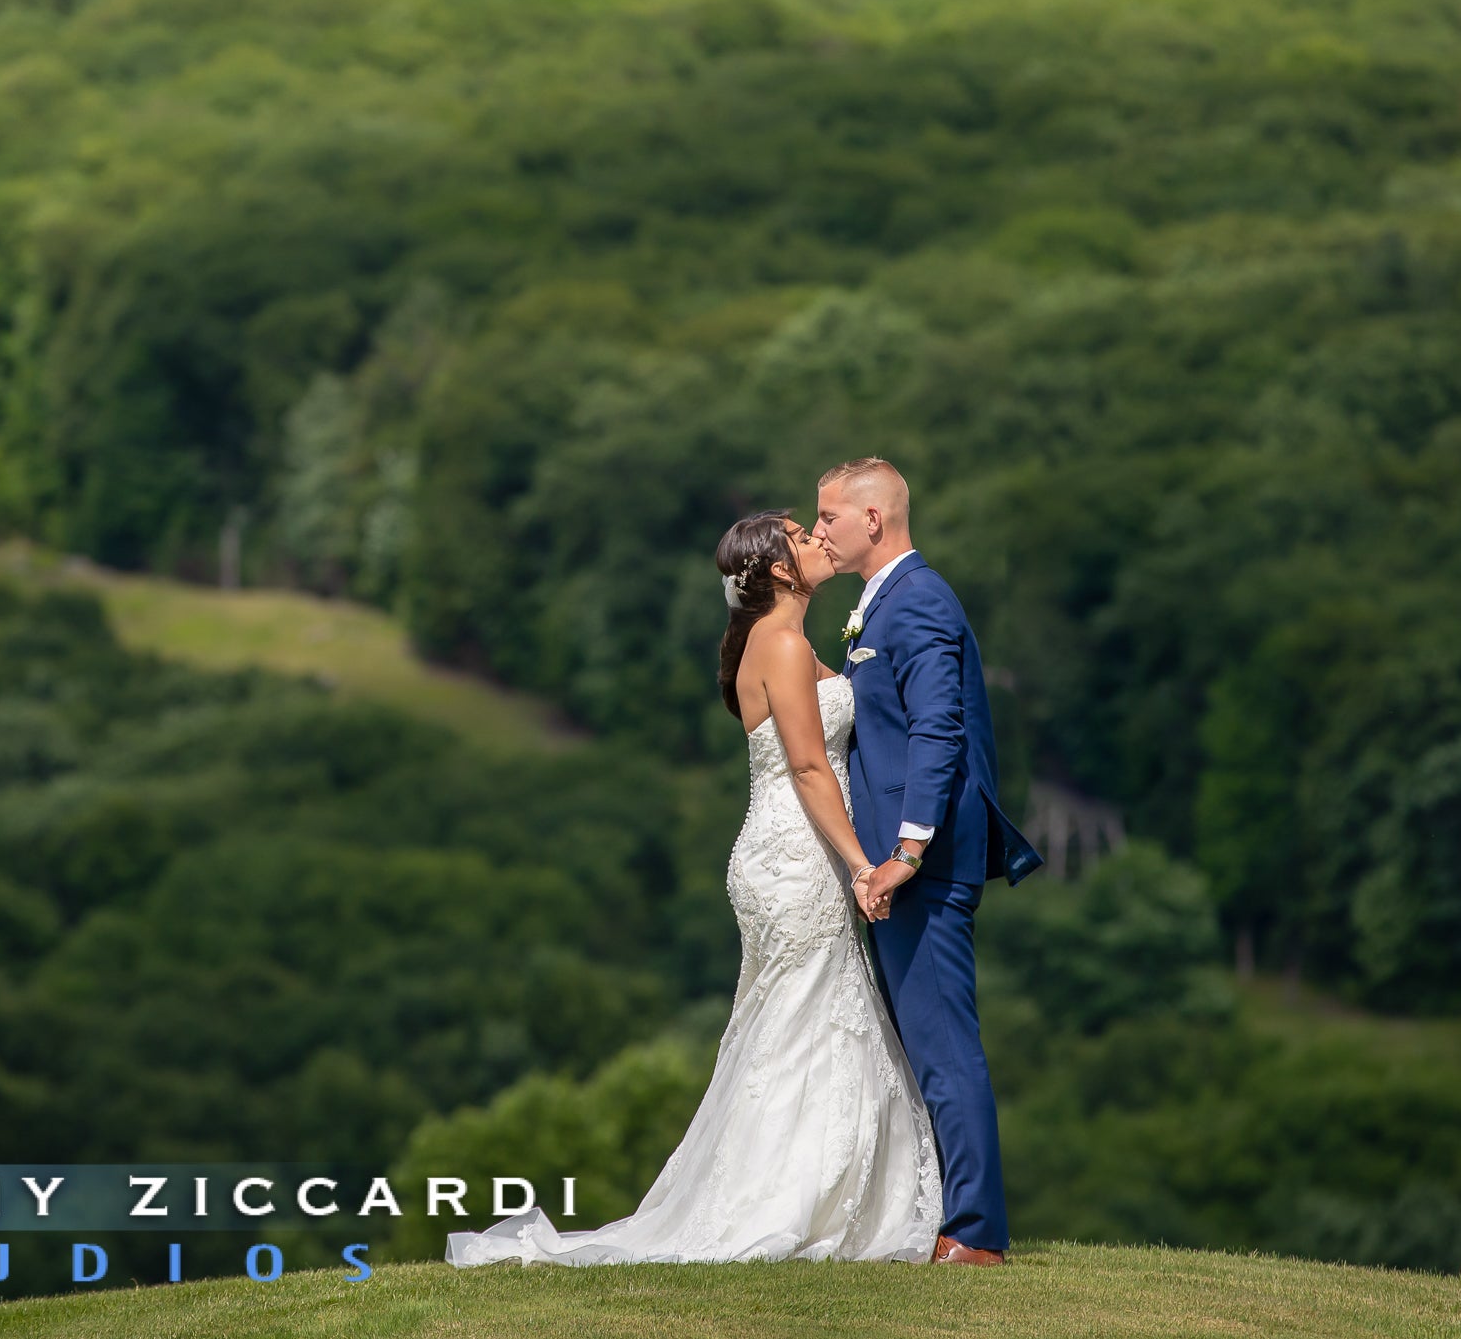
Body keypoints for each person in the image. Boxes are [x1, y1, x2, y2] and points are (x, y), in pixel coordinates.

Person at [446, 508, 942, 1265]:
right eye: (803, 536)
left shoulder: (780, 642)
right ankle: (785, 1201)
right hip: (799, 854)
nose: (816, 539)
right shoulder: (778, 641)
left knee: (798, 1020)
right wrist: (861, 863)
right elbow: (810, 766)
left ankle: (809, 1189)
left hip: (780, 851)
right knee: (804, 1021)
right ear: (778, 567)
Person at [816, 456, 1044, 1266]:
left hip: (924, 864)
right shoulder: (881, 606)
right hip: (892, 864)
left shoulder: (918, 603)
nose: (820, 531)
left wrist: (907, 851)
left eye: (830, 518)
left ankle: (977, 1233)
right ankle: (941, 1213)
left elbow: (937, 733)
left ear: (873, 519)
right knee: (923, 1042)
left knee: (944, 1042)